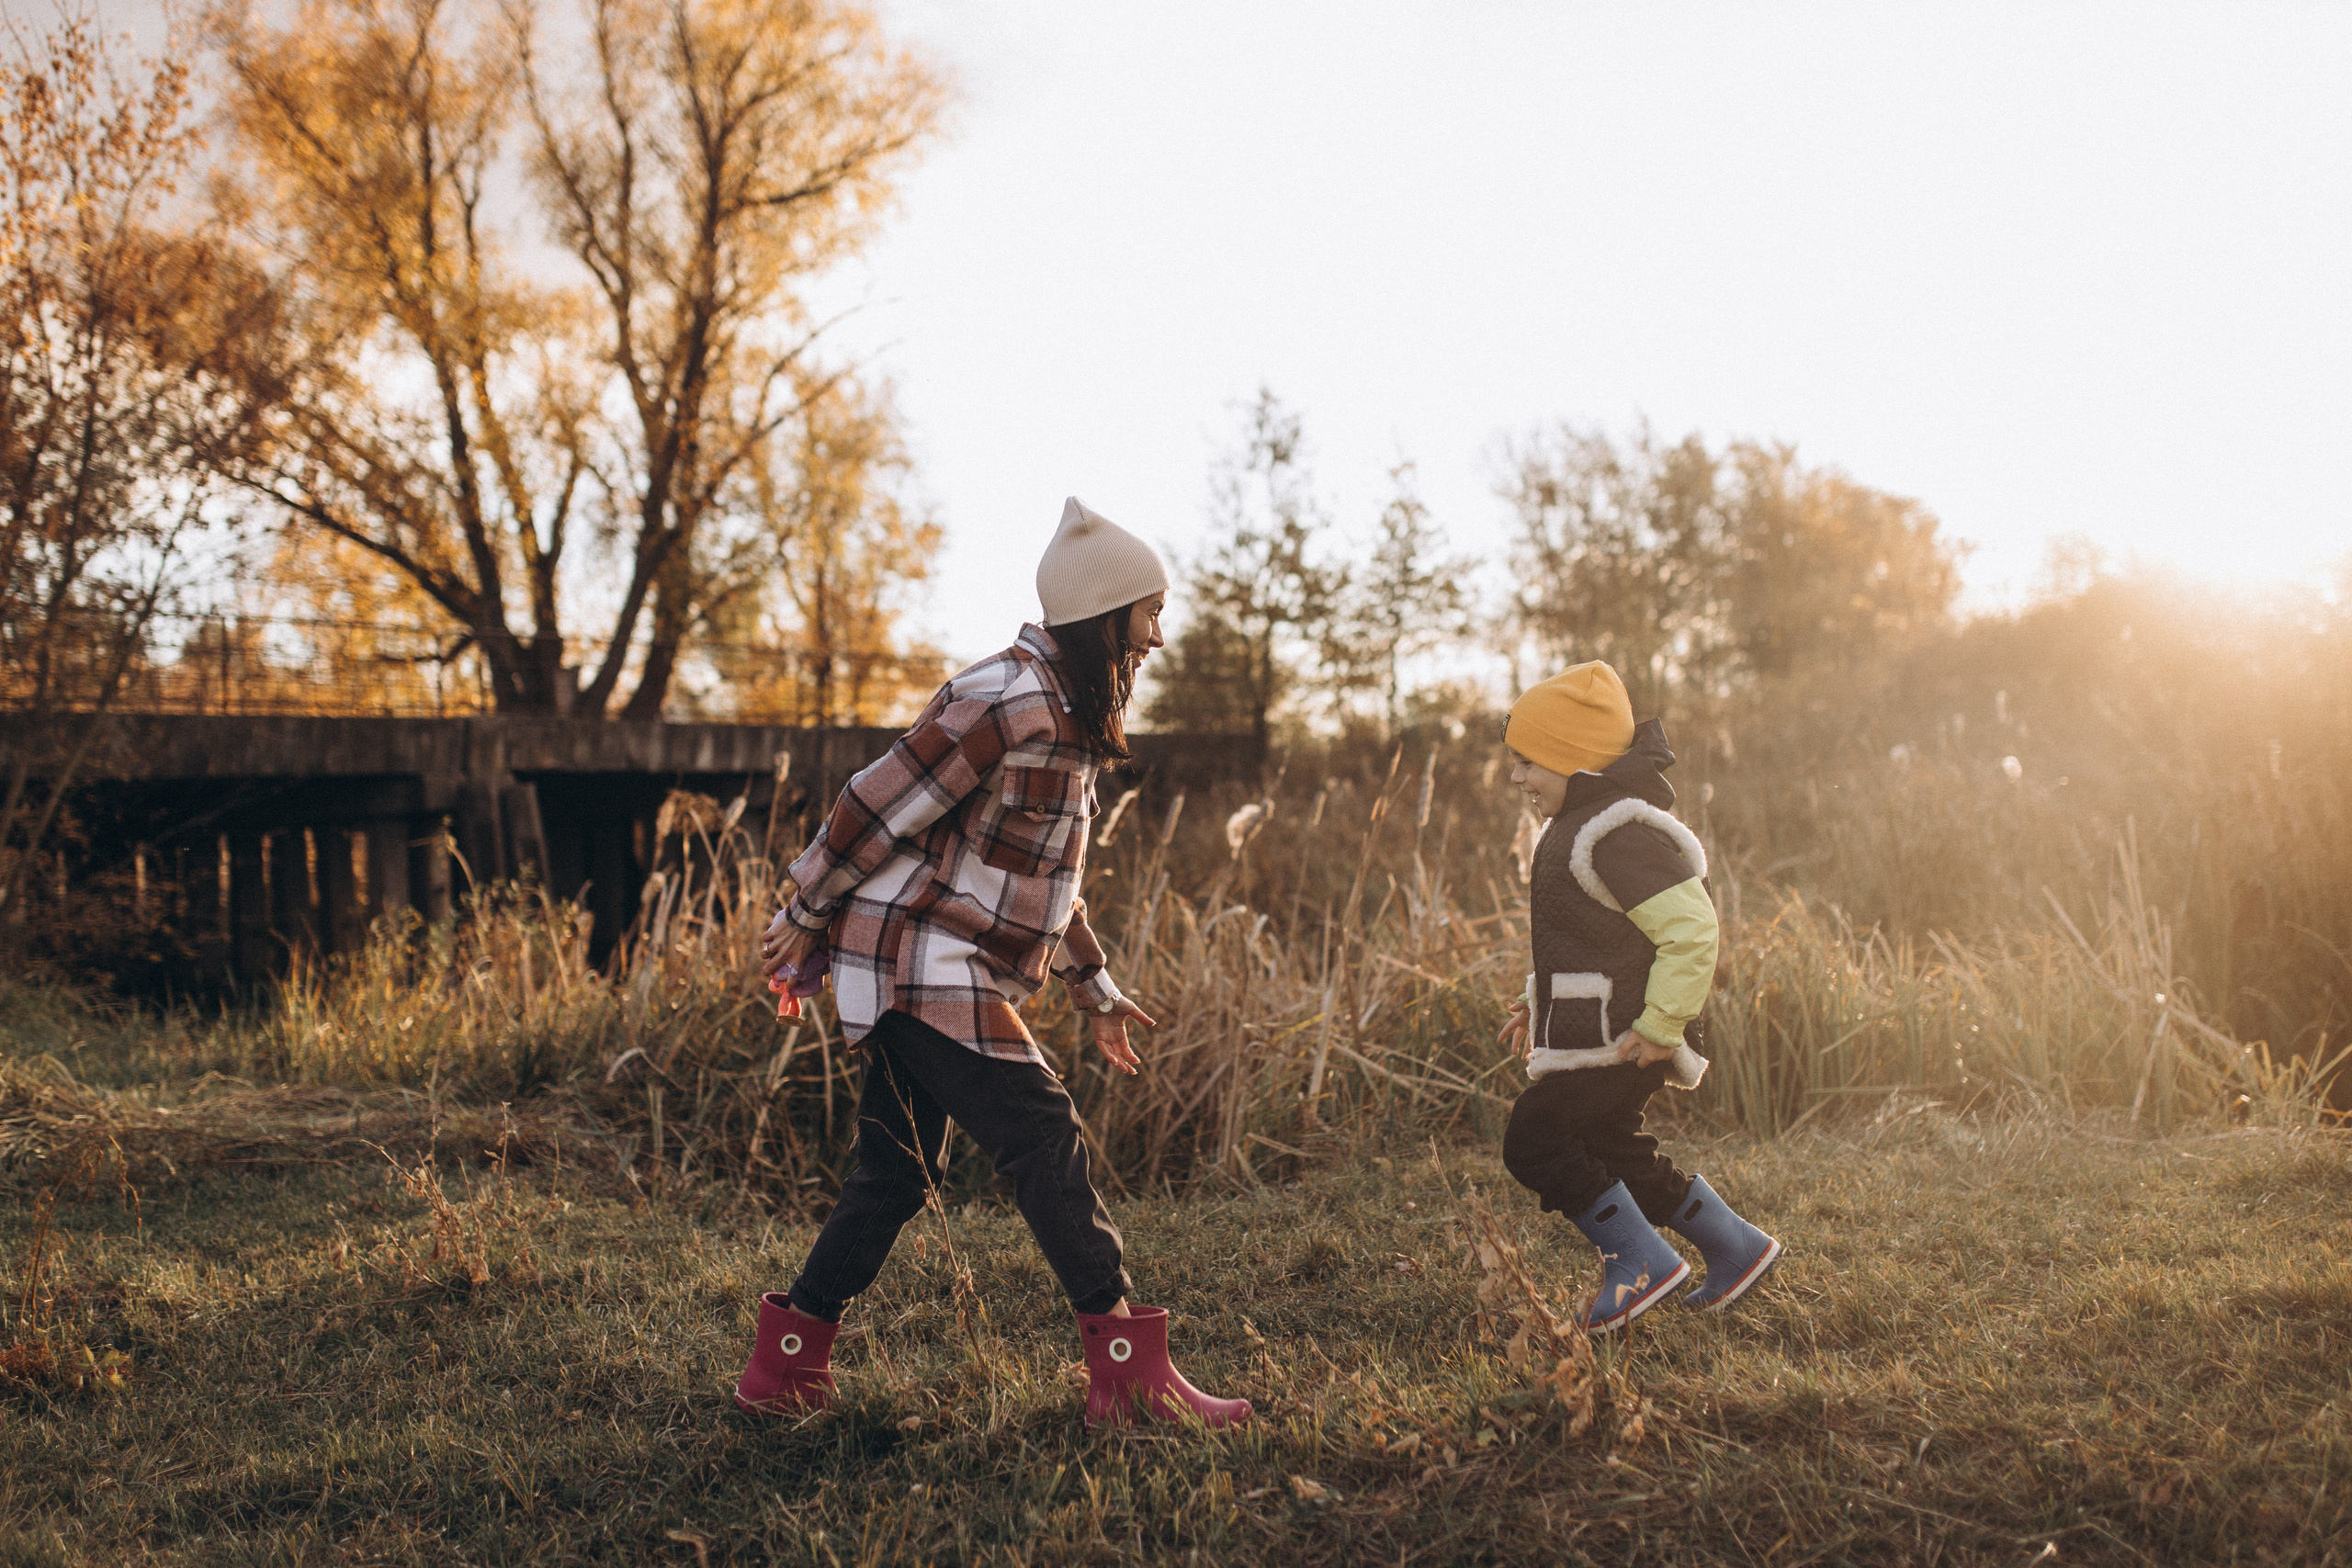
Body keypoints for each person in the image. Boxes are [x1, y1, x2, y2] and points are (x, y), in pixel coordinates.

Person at [731, 497, 1251, 1428]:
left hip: (935, 958)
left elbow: (1044, 880)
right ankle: (1128, 1377)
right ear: (1104, 618)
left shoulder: (1068, 713)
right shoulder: (1005, 700)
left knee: (894, 1175)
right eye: (1149, 612)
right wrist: (802, 909)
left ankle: (785, 1367)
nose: (1161, 637)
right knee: (1042, 1134)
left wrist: (1097, 990)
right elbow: (873, 803)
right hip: (916, 959)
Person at [1494, 661, 1782, 1331]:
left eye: (1529, 762)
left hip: (1627, 1034)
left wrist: (1660, 1025)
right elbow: (1589, 940)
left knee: (1533, 1138)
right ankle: (1735, 1246)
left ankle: (1640, 1261)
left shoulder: (1620, 834)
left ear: (1574, 760)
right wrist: (1536, 1004)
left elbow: (1691, 930)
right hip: (1608, 1029)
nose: (1517, 778)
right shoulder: (1581, 827)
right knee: (1613, 1145)